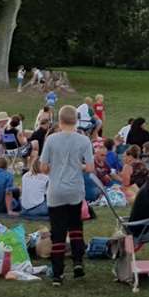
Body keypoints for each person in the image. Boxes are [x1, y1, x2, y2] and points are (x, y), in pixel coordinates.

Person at [43, 105, 96, 283]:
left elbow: (43, 167)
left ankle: (57, 273)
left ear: (60, 120)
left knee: (57, 231)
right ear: (76, 120)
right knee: (75, 227)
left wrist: (56, 167)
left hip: (56, 190)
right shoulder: (84, 141)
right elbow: (90, 168)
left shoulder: (51, 140)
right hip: (75, 189)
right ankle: (78, 262)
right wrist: (77, 165)